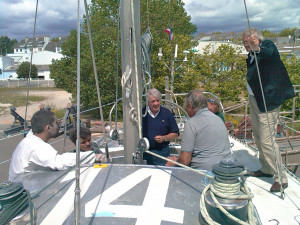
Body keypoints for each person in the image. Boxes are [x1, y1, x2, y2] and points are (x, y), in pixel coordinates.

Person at [242, 28, 295, 192]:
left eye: (248, 41)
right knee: (258, 137)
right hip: (255, 99)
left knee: (267, 140)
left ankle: (281, 178)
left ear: (256, 40)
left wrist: (257, 47)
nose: (246, 45)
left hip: (268, 101)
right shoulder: (251, 55)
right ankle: (265, 168)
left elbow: (271, 54)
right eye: (244, 43)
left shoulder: (267, 46)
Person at [9, 110, 96, 180]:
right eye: (57, 123)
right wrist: (92, 156)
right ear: (48, 127)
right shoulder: (36, 146)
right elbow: (59, 163)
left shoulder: (30, 139)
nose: (59, 126)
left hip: (27, 182)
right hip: (24, 191)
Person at [165, 90, 231, 171]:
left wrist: (174, 163)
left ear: (190, 105)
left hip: (204, 173)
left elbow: (185, 160)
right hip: (226, 169)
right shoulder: (218, 119)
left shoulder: (191, 123)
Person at [142, 88, 179, 165]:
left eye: (157, 100)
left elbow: (175, 133)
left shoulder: (166, 113)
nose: (156, 103)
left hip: (162, 154)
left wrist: (164, 138)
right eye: (153, 101)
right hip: (144, 153)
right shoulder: (142, 113)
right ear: (148, 102)